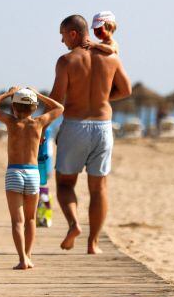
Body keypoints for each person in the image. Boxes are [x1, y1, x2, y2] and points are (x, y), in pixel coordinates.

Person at [50, 14, 132, 254]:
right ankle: (93, 243)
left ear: (73, 33)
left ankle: (74, 224)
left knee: (65, 184)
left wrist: (42, 127)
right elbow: (126, 90)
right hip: (103, 127)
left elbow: (56, 100)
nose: (62, 41)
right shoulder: (111, 58)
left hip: (75, 125)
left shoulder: (66, 61)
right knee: (99, 188)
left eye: (63, 35)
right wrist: (103, 97)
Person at [0, 87, 63, 269]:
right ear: (34, 108)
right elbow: (59, 108)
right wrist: (39, 95)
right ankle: (28, 256)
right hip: (33, 174)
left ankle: (22, 259)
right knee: (30, 219)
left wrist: (8, 94)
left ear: (13, 107)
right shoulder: (39, 123)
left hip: (14, 173)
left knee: (17, 221)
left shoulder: (11, 122)